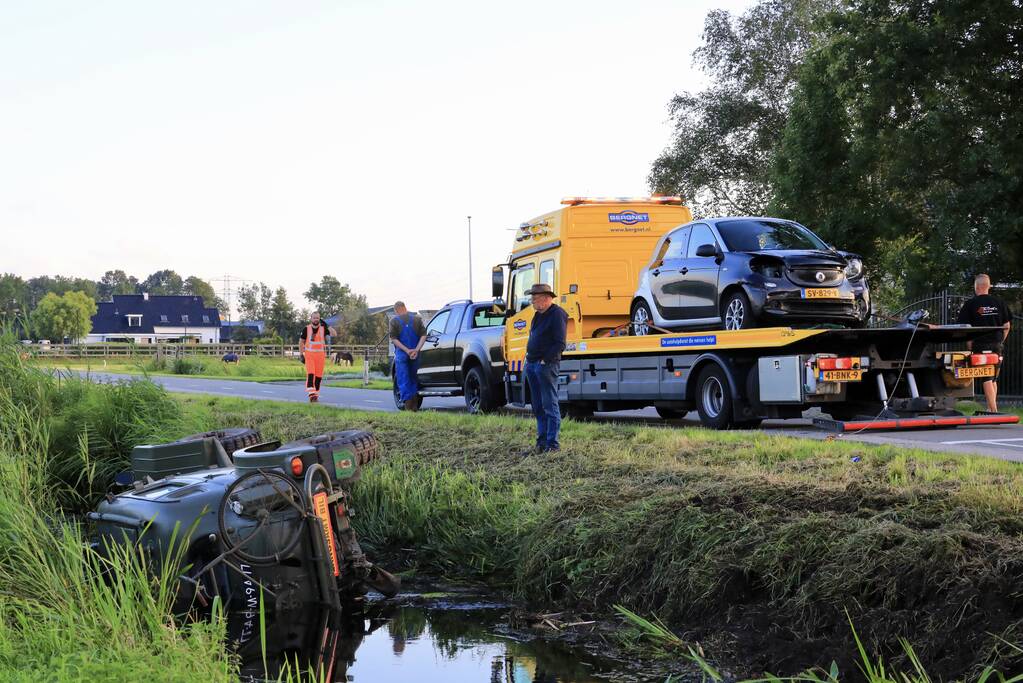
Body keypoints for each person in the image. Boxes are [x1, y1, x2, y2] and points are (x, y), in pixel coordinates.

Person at [523, 283, 568, 454]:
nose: (532, 301)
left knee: (549, 405)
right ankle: (541, 443)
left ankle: (552, 445)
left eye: (535, 298)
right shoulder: (537, 316)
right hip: (532, 364)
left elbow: (560, 343)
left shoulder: (557, 314)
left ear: (546, 298)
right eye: (532, 298)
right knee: (538, 406)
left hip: (546, 366)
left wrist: (544, 360)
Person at [957, 274, 1012, 413]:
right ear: (988, 286)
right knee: (993, 379)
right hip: (997, 345)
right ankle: (991, 408)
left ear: (976, 287)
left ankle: (993, 410)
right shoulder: (999, 303)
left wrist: (969, 344)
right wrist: (1001, 341)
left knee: (986, 377)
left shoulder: (970, 304)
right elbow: (1007, 326)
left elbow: (964, 328)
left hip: (980, 345)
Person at [389, 301, 426, 411]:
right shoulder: (417, 319)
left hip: (402, 354)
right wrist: (416, 349)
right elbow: (423, 335)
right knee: (413, 378)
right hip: (415, 354)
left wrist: (406, 350)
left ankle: (408, 406)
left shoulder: (394, 321)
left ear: (396, 310)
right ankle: (414, 406)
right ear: (405, 308)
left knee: (403, 378)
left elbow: (394, 339)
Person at [300, 312, 336, 403]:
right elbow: (301, 342)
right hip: (309, 355)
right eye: (314, 318)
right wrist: (301, 354)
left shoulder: (323, 328)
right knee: (311, 374)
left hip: (320, 356)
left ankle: (315, 395)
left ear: (320, 319)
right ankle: (311, 393)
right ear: (311, 319)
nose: (316, 319)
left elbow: (334, 334)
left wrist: (327, 326)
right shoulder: (306, 329)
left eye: (317, 318)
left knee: (318, 377)